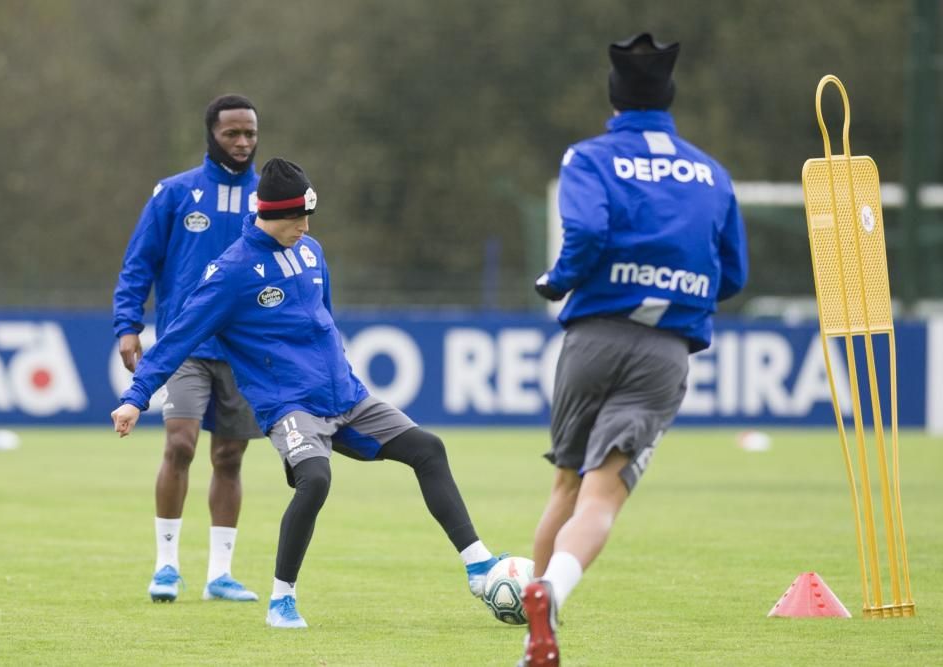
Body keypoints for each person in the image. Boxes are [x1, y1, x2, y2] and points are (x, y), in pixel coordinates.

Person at [111, 157, 501, 628]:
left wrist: (342, 376)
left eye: (308, 215)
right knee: (315, 480)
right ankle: (282, 600)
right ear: (271, 214)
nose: (306, 225)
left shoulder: (311, 251)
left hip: (348, 397)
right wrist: (137, 396)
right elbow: (176, 337)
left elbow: (324, 320)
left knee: (428, 449)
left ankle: (478, 563)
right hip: (290, 407)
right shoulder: (230, 272)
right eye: (297, 216)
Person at [520, 33, 748, 666]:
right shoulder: (712, 173)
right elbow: (732, 275)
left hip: (591, 340)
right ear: (669, 98)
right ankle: (551, 594)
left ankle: (533, 630)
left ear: (613, 101)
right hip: (663, 352)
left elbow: (587, 230)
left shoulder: (589, 157)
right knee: (602, 497)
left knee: (565, 484)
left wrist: (558, 279)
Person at [113, 94, 265, 603]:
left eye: (249, 134)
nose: (242, 143)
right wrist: (127, 324)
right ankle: (166, 567)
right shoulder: (176, 193)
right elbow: (139, 262)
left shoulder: (269, 197)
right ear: (211, 134)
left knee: (229, 456)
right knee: (180, 444)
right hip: (186, 344)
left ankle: (220, 574)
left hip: (244, 349)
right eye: (232, 134)